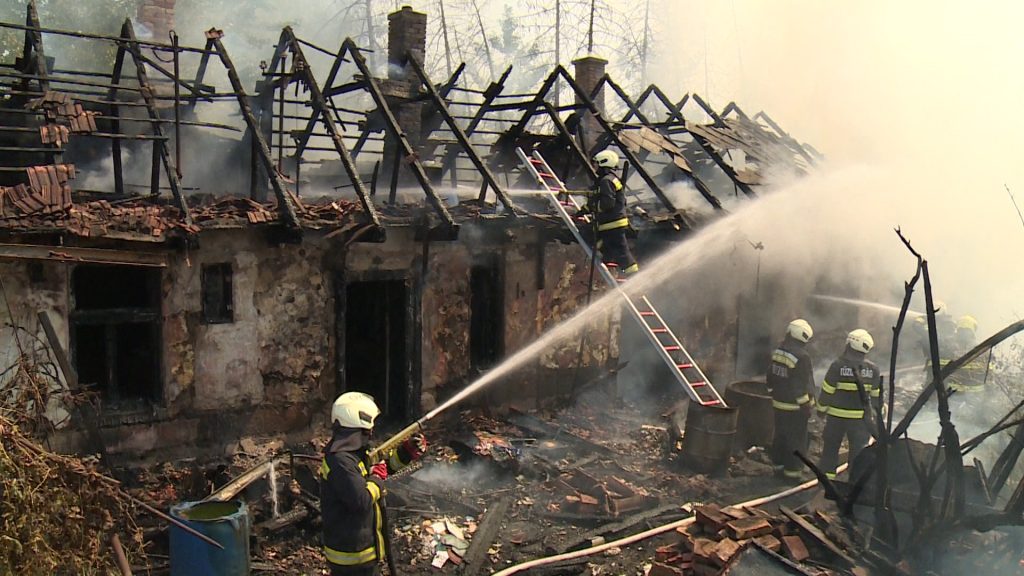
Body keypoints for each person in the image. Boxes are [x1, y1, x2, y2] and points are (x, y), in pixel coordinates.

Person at [320, 392, 428, 575]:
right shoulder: (340, 462)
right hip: (352, 559)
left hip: (363, 554)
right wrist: (377, 478)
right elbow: (361, 500)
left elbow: (382, 469)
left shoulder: (355, 454)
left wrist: (405, 453)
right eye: (368, 428)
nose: (371, 432)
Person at [817, 329, 882, 479]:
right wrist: (878, 417)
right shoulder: (873, 370)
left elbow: (827, 392)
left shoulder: (837, 366)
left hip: (835, 418)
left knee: (830, 449)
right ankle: (853, 483)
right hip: (860, 421)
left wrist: (821, 410)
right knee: (858, 452)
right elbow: (876, 398)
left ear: (849, 345)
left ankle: (827, 481)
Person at [766, 318, 816, 480]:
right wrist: (806, 406)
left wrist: (771, 391)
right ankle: (792, 474)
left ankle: (778, 468)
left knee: (780, 437)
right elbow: (799, 385)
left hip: (778, 404)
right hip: (795, 408)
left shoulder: (779, 351)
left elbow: (770, 375)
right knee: (796, 441)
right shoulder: (802, 357)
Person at [577, 149, 638, 276]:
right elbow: (597, 200)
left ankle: (633, 277)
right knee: (592, 237)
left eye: (597, 164)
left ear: (604, 163)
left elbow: (607, 203)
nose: (595, 167)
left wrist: (593, 208)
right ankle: (608, 256)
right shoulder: (610, 179)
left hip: (613, 223)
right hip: (611, 223)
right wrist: (582, 211)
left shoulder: (606, 181)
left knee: (623, 253)